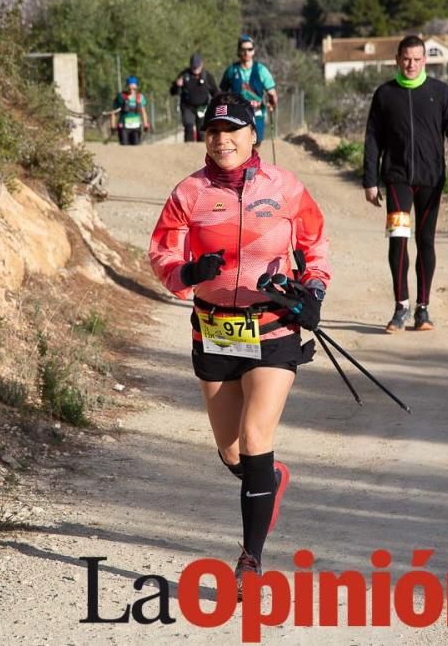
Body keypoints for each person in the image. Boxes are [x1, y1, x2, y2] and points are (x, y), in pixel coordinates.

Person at [148, 92, 330, 598]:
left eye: (232, 130)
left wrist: (313, 292)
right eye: (213, 131)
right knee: (232, 452)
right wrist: (188, 271)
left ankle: (250, 560)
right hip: (214, 330)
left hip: (272, 327)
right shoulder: (189, 193)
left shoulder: (287, 188)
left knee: (254, 437)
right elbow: (161, 253)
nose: (222, 139)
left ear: (254, 135)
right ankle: (267, 478)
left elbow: (316, 247)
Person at [362, 35, 448, 332]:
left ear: (425, 60)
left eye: (417, 59)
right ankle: (401, 307)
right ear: (397, 59)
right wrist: (370, 180)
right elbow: (373, 138)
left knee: (425, 242)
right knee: (398, 241)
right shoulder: (385, 94)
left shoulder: (440, 92)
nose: (411, 64)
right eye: (406, 59)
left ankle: (423, 310)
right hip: (397, 180)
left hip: (431, 180)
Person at [219, 35, 278, 146]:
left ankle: (253, 163)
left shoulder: (261, 70)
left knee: (255, 144)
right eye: (243, 50)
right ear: (239, 51)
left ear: (253, 51)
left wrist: (272, 103)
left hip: (257, 112)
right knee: (238, 144)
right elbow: (222, 93)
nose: (246, 52)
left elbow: (272, 92)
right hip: (236, 114)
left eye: (249, 49)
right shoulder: (231, 71)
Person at [170, 53, 219, 142]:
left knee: (202, 130)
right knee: (188, 127)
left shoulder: (207, 76)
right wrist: (177, 85)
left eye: (197, 66)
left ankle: (202, 150)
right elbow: (173, 92)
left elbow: (215, 92)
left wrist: (218, 103)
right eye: (193, 67)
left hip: (202, 107)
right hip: (187, 106)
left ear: (202, 64)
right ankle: (188, 149)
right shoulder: (184, 75)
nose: (195, 69)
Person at [111, 76, 150, 146]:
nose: (132, 90)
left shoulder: (140, 97)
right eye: (130, 88)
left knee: (136, 148)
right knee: (124, 148)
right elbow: (114, 112)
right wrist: (112, 126)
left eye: (134, 88)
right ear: (127, 87)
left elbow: (143, 112)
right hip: (123, 128)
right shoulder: (121, 97)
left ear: (137, 87)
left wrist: (146, 124)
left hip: (136, 128)